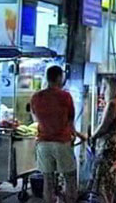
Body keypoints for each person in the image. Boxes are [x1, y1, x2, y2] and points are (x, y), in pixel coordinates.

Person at [30, 65, 80, 203]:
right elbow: (71, 120)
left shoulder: (36, 97)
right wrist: (76, 135)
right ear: (59, 77)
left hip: (43, 144)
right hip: (62, 142)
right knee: (70, 177)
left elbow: (35, 118)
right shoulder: (65, 96)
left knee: (48, 179)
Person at [90, 76, 116, 203]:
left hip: (107, 147)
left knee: (103, 179)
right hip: (113, 145)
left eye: (105, 87)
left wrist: (93, 136)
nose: (103, 91)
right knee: (109, 180)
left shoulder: (112, 104)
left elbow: (104, 126)